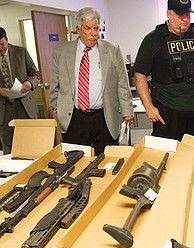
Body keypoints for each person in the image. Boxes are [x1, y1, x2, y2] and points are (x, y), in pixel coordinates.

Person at [133, 0, 194, 141]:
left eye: (187, 14)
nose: (185, 18)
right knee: (169, 155)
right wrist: (149, 107)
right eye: (180, 14)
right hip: (168, 110)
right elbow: (140, 74)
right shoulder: (153, 39)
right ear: (168, 14)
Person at [49, 7, 134, 155]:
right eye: (88, 28)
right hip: (74, 118)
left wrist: (127, 111)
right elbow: (54, 89)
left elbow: (122, 83)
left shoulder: (112, 50)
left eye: (96, 28)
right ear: (78, 29)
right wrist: (60, 112)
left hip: (104, 116)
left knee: (108, 160)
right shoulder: (60, 52)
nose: (93, 33)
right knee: (75, 163)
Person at [0, 27, 40, 155]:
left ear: (7, 39)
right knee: (9, 146)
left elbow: (35, 74)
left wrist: (29, 83)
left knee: (31, 143)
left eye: (2, 44)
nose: (0, 48)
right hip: (4, 109)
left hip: (24, 105)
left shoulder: (21, 52)